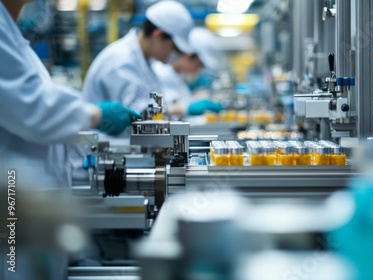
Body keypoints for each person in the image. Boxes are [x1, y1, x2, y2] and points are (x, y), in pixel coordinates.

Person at [0, 0, 140, 279]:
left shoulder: (11, 32)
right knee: (15, 266)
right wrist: (94, 114)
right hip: (14, 197)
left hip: (31, 195)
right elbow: (31, 107)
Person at [82, 0, 194, 142]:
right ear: (158, 35)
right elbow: (136, 116)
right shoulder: (122, 60)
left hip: (126, 148)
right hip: (106, 150)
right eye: (174, 48)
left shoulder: (144, 60)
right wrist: (182, 108)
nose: (175, 55)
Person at [152, 27, 223, 116]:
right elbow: (152, 109)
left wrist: (193, 98)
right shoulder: (159, 73)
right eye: (199, 65)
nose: (199, 70)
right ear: (189, 56)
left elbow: (178, 99)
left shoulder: (178, 77)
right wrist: (185, 107)